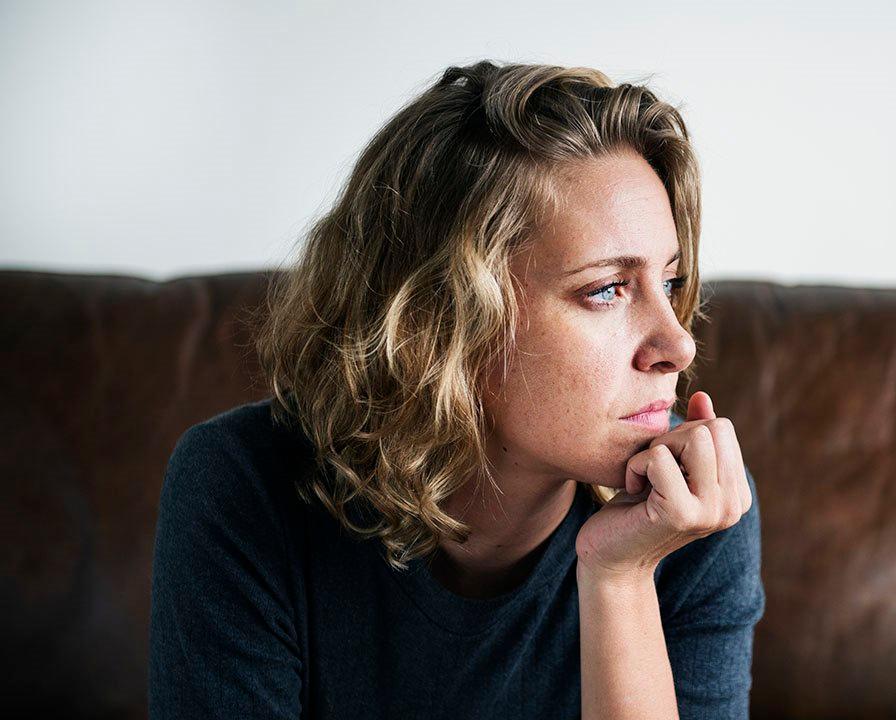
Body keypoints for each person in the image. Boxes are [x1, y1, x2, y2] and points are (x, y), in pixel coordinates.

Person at [148, 59, 764, 720]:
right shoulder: (243, 487)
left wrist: (619, 578)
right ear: (443, 320)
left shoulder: (691, 510)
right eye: (606, 289)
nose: (679, 344)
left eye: (669, 283)